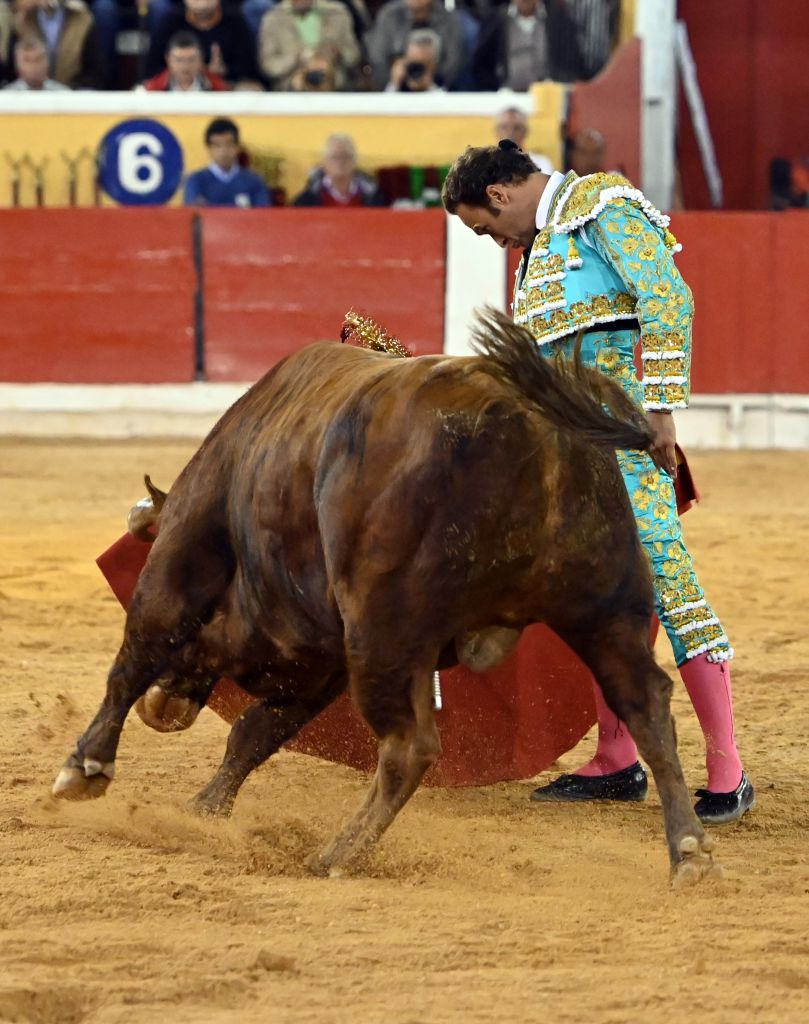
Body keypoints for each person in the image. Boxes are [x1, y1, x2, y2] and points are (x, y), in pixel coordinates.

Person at [441, 142, 754, 825]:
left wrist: (661, 409)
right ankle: (615, 761)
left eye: (483, 228)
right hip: (560, 453)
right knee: (588, 595)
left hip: (621, 434)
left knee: (667, 583)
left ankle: (726, 771)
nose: (493, 242)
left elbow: (667, 298)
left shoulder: (599, 207)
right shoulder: (540, 252)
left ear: (497, 196)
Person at [145, 0, 259, 87]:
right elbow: (152, 67)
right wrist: (179, 67)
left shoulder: (235, 21)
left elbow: (249, 68)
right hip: (176, 84)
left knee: (250, 89)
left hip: (227, 83)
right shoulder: (170, 21)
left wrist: (225, 70)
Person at [259, 0, 360, 91]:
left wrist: (338, 53)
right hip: (290, 86)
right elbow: (268, 66)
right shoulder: (273, 18)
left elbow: (354, 56)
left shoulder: (337, 13)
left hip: (335, 83)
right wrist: (296, 59)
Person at [366, 0, 464, 91]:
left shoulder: (448, 19)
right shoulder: (389, 15)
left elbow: (454, 62)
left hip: (438, 86)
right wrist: (393, 80)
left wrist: (434, 78)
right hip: (395, 86)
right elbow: (377, 59)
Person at [9, 0, 104, 89]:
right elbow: (10, 71)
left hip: (72, 95)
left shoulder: (82, 20)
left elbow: (94, 72)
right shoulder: (22, 20)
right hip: (26, 95)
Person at [183, 118, 271, 208]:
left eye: (229, 144)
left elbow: (263, 216)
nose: (223, 151)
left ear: (237, 147)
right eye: (217, 145)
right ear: (208, 148)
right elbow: (192, 215)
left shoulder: (254, 181)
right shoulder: (196, 181)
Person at [292, 133, 387, 206]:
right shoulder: (307, 200)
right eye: (335, 157)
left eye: (346, 156)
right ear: (324, 162)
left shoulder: (374, 197)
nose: (340, 162)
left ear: (355, 161)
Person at [142, 30, 227, 91]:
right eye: (179, 60)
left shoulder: (217, 88)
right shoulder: (153, 89)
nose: (185, 66)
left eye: (191, 60)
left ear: (201, 60)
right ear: (168, 59)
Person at [494, 106, 553, 175]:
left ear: (525, 131)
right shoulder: (487, 163)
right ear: (496, 131)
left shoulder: (541, 163)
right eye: (504, 127)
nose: (510, 132)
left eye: (517, 128)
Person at [384, 27, 442, 92]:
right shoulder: (398, 84)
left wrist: (429, 87)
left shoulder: (441, 86)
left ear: (434, 65)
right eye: (413, 64)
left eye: (421, 66)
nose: (416, 71)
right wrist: (394, 85)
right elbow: (384, 102)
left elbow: (444, 101)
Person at [3, 33, 68, 87]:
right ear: (17, 65)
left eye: (38, 59)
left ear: (48, 63)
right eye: (27, 60)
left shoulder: (65, 95)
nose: (33, 66)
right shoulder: (5, 96)